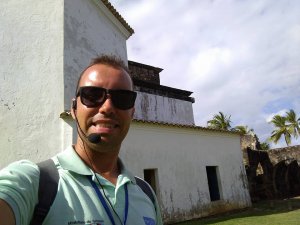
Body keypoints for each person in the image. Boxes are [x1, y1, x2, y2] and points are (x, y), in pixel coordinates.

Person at [0, 55, 163, 225]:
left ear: (132, 113)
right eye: (92, 95)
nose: (107, 107)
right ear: (74, 109)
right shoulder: (35, 182)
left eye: (122, 98)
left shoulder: (146, 194)